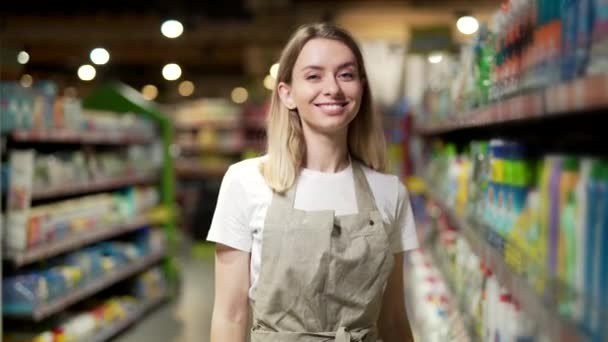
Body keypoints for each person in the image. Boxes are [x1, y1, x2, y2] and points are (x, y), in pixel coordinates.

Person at [208, 22, 418, 342]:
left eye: (346, 74)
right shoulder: (246, 182)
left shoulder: (389, 193)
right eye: (313, 76)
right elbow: (230, 315)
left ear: (361, 88)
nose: (332, 88)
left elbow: (393, 320)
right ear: (287, 93)